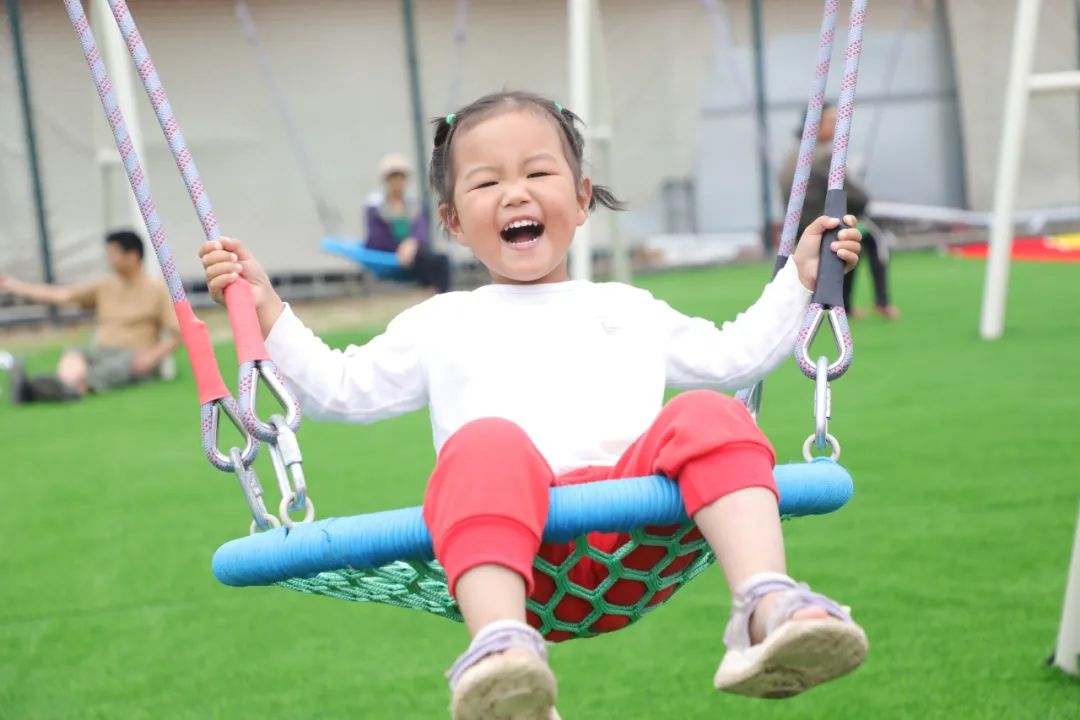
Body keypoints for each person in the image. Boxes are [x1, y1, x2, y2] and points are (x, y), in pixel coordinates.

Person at [199, 91, 868, 719]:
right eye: (487, 183)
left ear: (580, 200)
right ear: (455, 222)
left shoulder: (625, 308)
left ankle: (765, 604)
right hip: (509, 560)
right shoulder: (441, 322)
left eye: (537, 173)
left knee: (710, 413)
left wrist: (801, 281)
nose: (514, 192)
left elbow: (735, 358)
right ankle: (503, 654)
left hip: (632, 545)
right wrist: (268, 310)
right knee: (486, 442)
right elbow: (340, 390)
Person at [0, 229, 179, 404]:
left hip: (132, 356)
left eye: (113, 254)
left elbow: (178, 333)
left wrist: (152, 356)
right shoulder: (105, 285)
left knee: (103, 372)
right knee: (74, 354)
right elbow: (61, 295)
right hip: (100, 351)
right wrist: (13, 285)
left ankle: (44, 389)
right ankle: (59, 387)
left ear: (132, 256)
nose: (109, 259)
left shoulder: (157, 290)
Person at [780, 103, 899, 320]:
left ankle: (844, 305)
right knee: (873, 239)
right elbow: (858, 198)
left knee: (854, 241)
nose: (836, 127)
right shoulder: (823, 157)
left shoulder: (793, 154)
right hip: (820, 224)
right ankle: (881, 302)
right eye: (831, 122)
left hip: (798, 227)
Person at [364, 153, 452, 293]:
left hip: (414, 251)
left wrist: (412, 242)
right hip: (387, 251)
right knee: (431, 262)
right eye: (394, 177)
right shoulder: (376, 206)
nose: (398, 181)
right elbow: (376, 237)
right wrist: (401, 247)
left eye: (402, 177)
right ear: (386, 179)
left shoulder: (414, 204)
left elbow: (421, 230)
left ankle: (441, 295)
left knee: (441, 260)